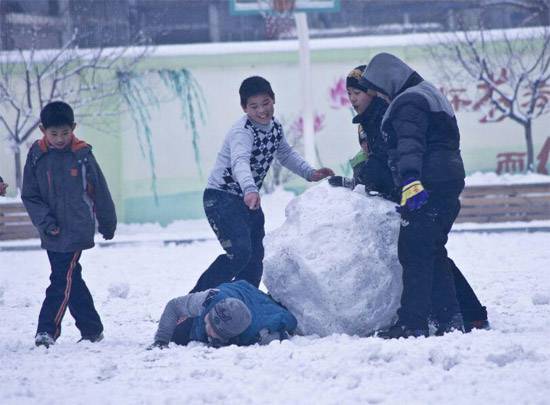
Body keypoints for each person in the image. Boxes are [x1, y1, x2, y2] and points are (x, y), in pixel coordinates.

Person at [356, 53, 488, 338]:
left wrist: (411, 180)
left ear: (389, 80)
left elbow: (410, 145)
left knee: (413, 251)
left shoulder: (408, 102)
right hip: (447, 181)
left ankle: (412, 323)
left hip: (427, 184)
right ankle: (449, 319)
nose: (380, 97)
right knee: (432, 252)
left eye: (379, 90)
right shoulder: (428, 92)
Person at [190, 76, 334, 293]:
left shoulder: (275, 126)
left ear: (273, 100)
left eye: (266, 103)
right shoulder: (243, 131)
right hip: (221, 197)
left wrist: (311, 173)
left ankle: (244, 303)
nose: (261, 111)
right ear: (244, 108)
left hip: (247, 200)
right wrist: (249, 189)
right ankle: (195, 300)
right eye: (254, 106)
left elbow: (285, 154)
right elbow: (240, 161)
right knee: (240, 253)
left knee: (256, 258)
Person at [22, 101, 117, 348]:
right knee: (71, 278)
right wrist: (46, 222)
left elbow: (100, 191)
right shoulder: (36, 155)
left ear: (73, 127)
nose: (60, 138)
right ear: (43, 130)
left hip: (76, 228)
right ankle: (92, 328)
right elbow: (30, 195)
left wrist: (107, 222)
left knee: (61, 279)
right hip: (51, 230)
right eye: (54, 134)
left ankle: (47, 330)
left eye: (65, 132)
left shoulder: (82, 155)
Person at [150, 280, 297, 348]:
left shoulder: (254, 334)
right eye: (207, 321)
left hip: (254, 299)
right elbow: (173, 306)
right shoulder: (208, 299)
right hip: (234, 289)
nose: (206, 322)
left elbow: (289, 321)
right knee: (175, 334)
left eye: (213, 332)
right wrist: (161, 341)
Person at [328, 65, 398, 202]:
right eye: (349, 93)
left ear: (372, 93)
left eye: (357, 92)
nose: (352, 99)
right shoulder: (367, 121)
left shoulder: (384, 118)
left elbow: (381, 159)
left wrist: (357, 181)